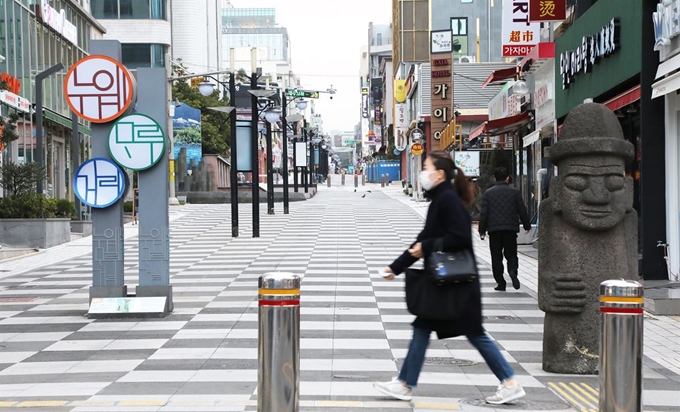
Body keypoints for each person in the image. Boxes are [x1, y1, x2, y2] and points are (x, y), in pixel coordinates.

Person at [373, 151, 526, 405]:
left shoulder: (447, 200)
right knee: (424, 326)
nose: (423, 173)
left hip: (458, 283)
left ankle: (509, 382)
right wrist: (395, 267)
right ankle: (404, 383)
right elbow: (423, 239)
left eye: (426, 167)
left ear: (439, 173)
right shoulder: (442, 199)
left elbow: (459, 238)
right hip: (450, 281)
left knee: (474, 332)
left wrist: (427, 247)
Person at [478, 167, 531, 291]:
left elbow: (484, 213)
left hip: (494, 230)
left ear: (495, 178)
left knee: (496, 256)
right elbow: (522, 210)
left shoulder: (488, 193)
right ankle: (512, 271)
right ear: (508, 178)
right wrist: (527, 225)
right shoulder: (515, 192)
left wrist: (482, 230)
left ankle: (501, 283)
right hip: (510, 229)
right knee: (511, 254)